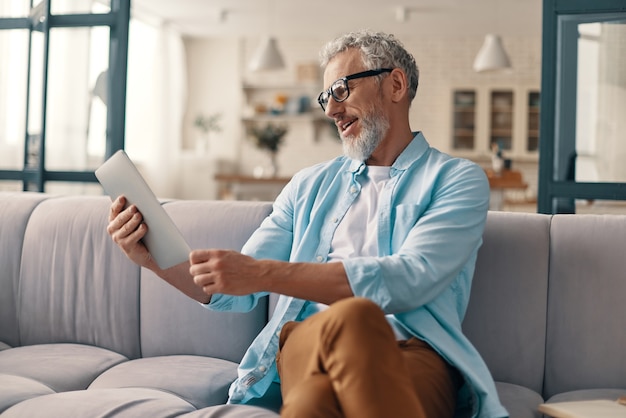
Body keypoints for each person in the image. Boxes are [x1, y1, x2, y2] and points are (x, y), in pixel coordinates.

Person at [107, 30, 508, 418]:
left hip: (415, 353)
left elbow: (411, 278)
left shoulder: (457, 179)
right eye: (325, 98)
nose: (331, 110)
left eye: (341, 90)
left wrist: (263, 273)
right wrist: (151, 258)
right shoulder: (309, 185)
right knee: (349, 321)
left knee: (317, 396)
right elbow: (233, 291)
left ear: (396, 85)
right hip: (307, 343)